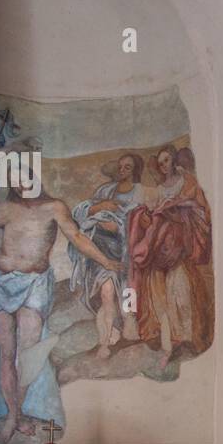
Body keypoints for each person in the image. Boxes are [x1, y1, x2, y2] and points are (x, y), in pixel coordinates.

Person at [0, 184, 122, 444]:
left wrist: (106, 262)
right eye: (15, 181)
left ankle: (15, 414)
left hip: (35, 282)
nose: (22, 186)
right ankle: (14, 415)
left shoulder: (55, 207)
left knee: (29, 353)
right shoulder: (6, 209)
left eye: (25, 178)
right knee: (6, 354)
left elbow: (77, 237)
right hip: (0, 280)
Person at [127, 145, 214, 366]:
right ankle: (168, 342)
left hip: (179, 246)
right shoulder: (158, 188)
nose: (164, 165)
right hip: (158, 248)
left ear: (174, 160)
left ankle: (183, 338)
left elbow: (201, 208)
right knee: (159, 297)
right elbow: (151, 213)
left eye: (167, 160)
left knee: (181, 293)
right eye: (161, 162)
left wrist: (175, 205)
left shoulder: (187, 183)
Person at [70, 153, 144, 359]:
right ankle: (104, 343)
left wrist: (119, 226)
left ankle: (124, 329)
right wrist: (99, 208)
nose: (122, 171)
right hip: (100, 251)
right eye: (120, 167)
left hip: (125, 252)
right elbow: (81, 212)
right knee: (106, 292)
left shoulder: (139, 192)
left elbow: (142, 221)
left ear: (135, 170)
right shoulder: (105, 190)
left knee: (128, 294)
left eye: (127, 167)